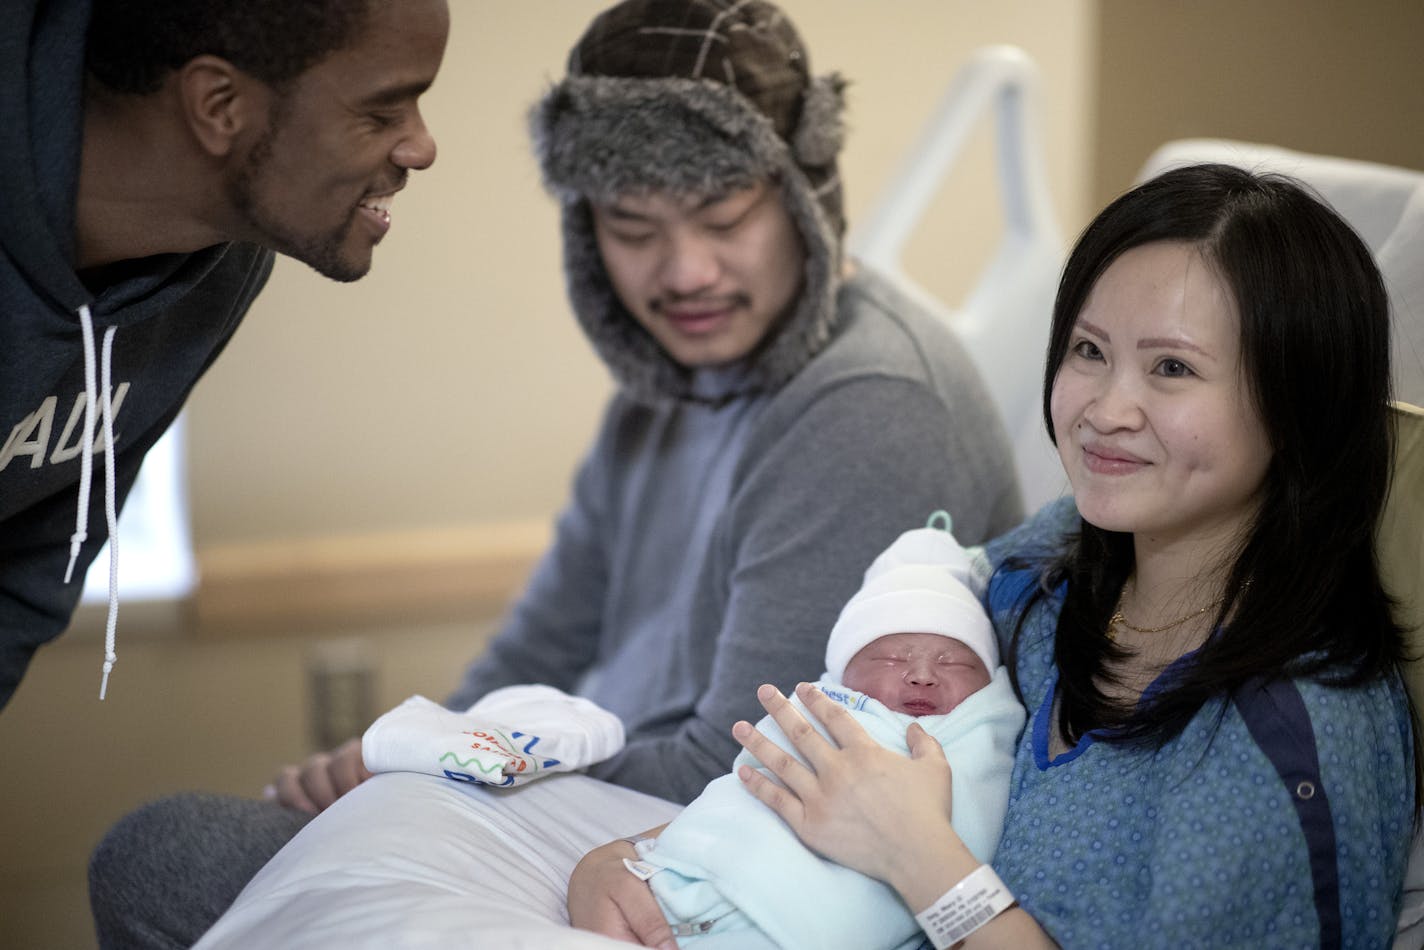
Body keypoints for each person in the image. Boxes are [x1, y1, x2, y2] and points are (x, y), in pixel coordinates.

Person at [89, 1, 1022, 945]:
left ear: (803, 202)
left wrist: (441, 770)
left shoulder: (873, 407)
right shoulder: (666, 378)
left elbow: (751, 757)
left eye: (722, 216)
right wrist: (415, 747)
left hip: (704, 843)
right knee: (168, 851)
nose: (684, 272)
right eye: (632, 227)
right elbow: (540, 645)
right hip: (573, 802)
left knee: (165, 856)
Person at [704, 163, 1419, 948]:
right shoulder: (1056, 562)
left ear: (1298, 403)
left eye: (1172, 367)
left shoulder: (1282, 738)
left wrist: (921, 857)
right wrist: (648, 869)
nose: (1105, 411)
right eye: (1088, 350)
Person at [1, 0, 449, 711]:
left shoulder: (220, 266)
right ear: (218, 104)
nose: (422, 148)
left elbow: (28, 571)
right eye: (382, 111)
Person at [627, 514, 1025, 948]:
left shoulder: (985, 731)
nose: (922, 675)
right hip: (697, 887)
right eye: (892, 659)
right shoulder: (821, 708)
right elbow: (747, 788)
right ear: (842, 674)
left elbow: (980, 807)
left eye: (954, 662)